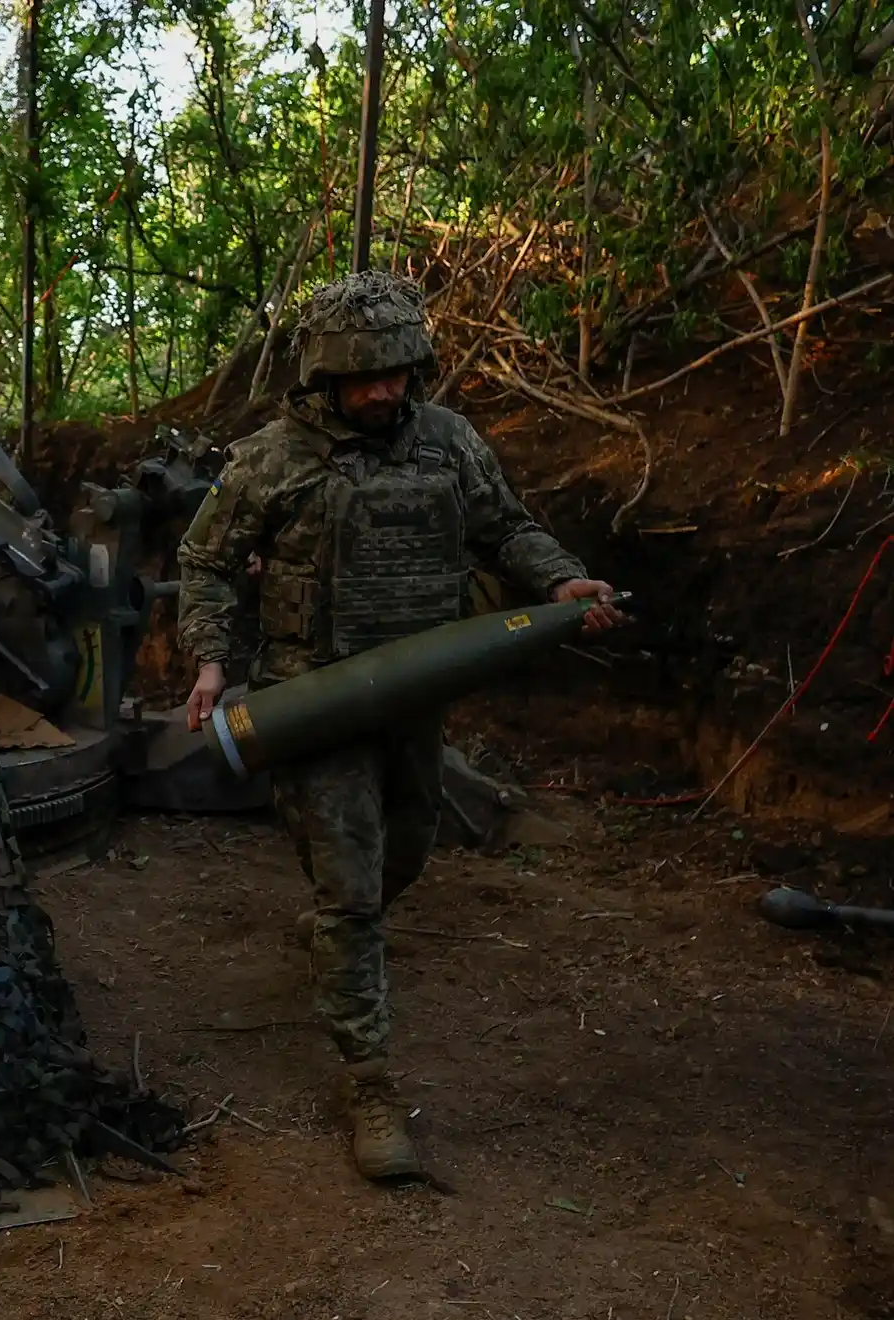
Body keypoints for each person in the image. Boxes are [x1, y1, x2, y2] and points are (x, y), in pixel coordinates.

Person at [176, 271, 623, 1182]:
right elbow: (206, 562)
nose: (386, 390)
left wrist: (560, 578)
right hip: (316, 700)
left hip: (415, 696)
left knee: (407, 851)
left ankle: (345, 935)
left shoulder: (449, 443)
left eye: (400, 371)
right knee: (349, 888)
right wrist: (213, 660)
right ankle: (368, 1078)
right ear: (325, 377)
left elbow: (506, 530)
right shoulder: (272, 459)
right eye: (367, 376)